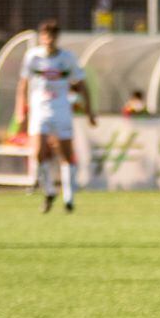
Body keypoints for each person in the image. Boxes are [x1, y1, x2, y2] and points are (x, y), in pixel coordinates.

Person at [14, 20, 97, 213]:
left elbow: (82, 85)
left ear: (56, 38)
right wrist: (20, 110)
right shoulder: (32, 57)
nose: (49, 39)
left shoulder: (67, 58)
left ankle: (68, 198)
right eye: (45, 35)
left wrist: (89, 111)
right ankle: (50, 190)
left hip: (61, 109)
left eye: (52, 35)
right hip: (39, 110)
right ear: (41, 37)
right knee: (38, 152)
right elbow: (23, 84)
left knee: (65, 154)